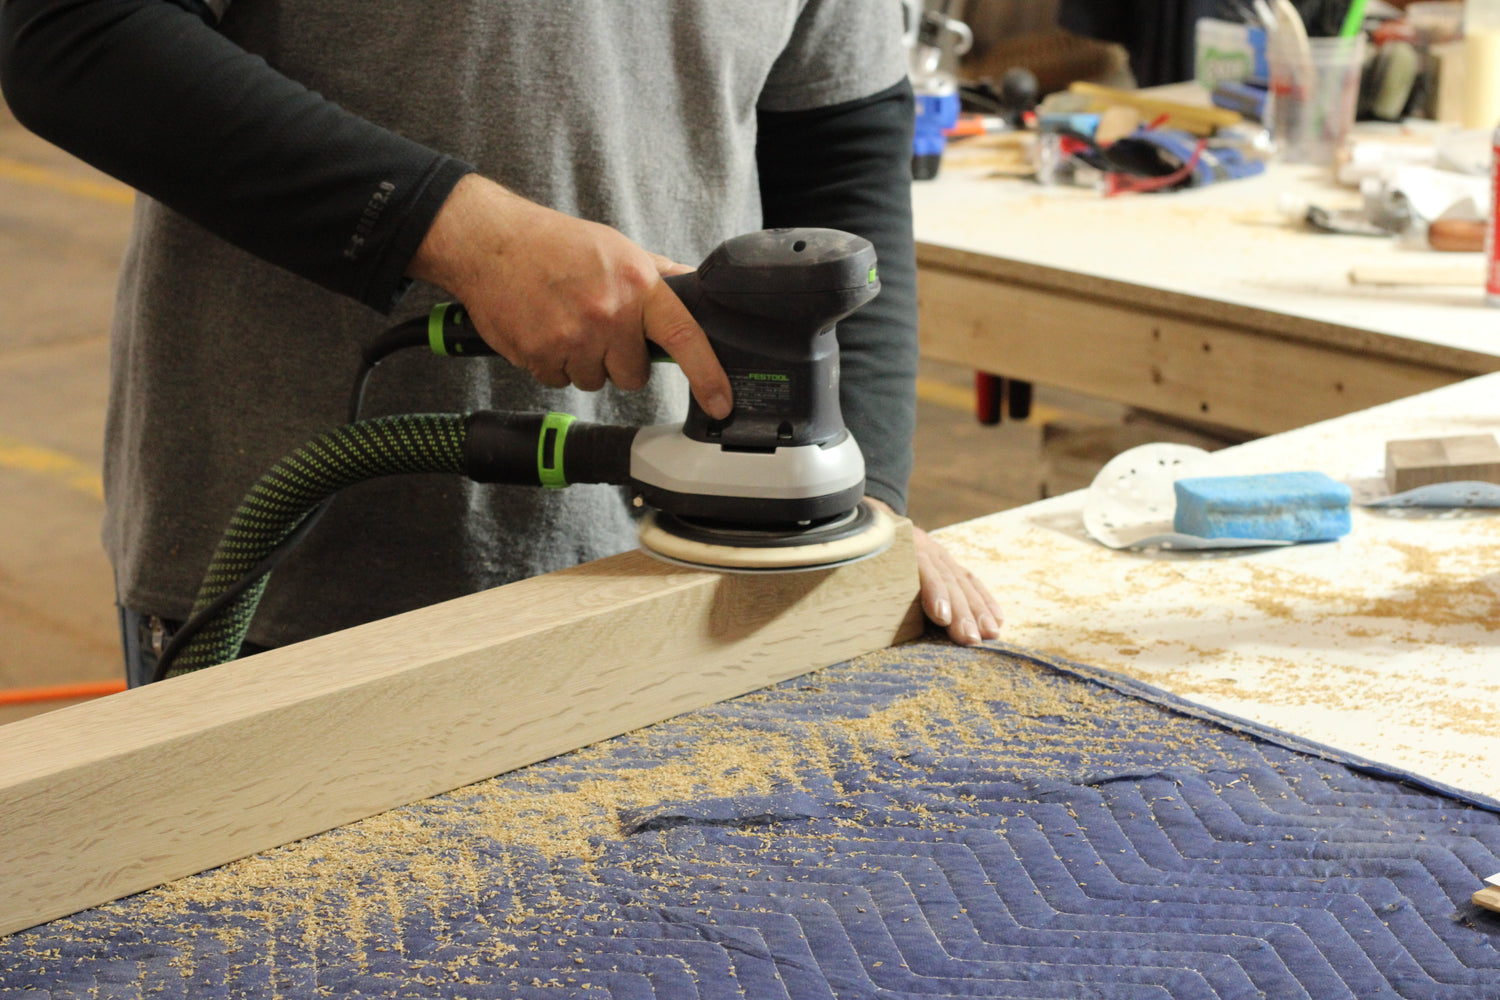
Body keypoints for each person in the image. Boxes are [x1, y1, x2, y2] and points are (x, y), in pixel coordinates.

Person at [0, 0, 1003, 686]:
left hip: (680, 579)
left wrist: (854, 501)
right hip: (293, 585)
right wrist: (467, 236)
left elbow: (837, 156)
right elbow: (77, 36)